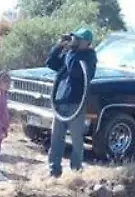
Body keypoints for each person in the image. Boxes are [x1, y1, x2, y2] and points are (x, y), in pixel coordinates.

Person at [45, 28, 96, 178]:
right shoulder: (70, 54)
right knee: (56, 138)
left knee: (76, 139)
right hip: (60, 100)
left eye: (78, 39)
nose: (75, 41)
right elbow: (51, 63)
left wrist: (71, 51)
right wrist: (59, 46)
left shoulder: (88, 57)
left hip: (76, 103)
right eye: (75, 38)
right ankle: (54, 170)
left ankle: (76, 171)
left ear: (86, 42)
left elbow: (75, 71)